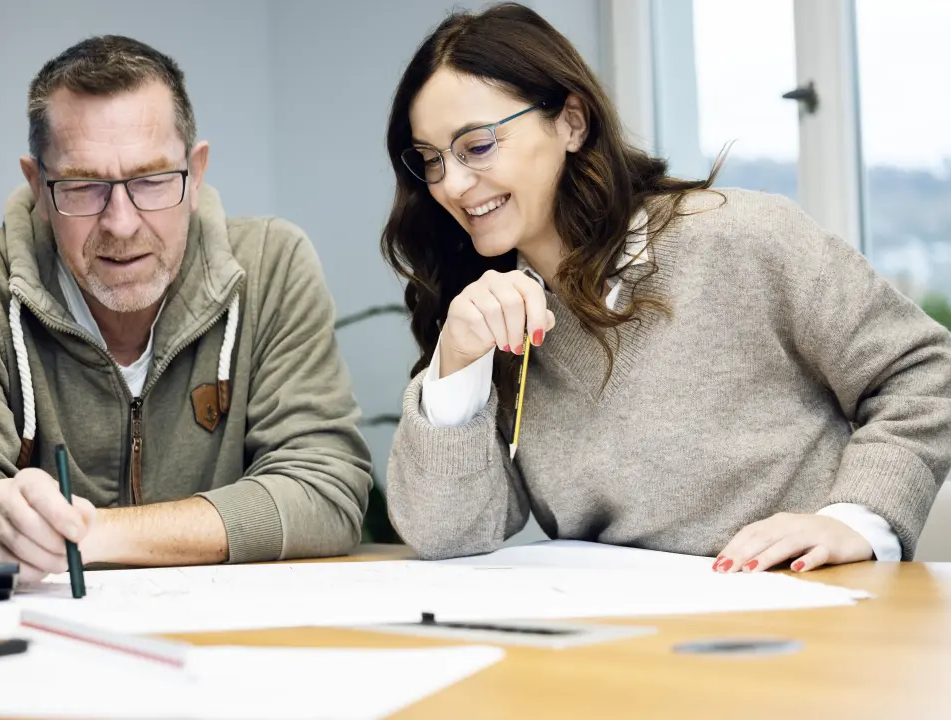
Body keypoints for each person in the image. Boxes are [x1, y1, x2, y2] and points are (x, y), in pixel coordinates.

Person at [381, 3, 951, 571]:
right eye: (429, 160)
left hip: (811, 613)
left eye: (476, 146)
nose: (451, 184)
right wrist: (455, 363)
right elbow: (449, 535)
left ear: (571, 122)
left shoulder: (741, 237)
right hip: (627, 637)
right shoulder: (492, 314)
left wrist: (854, 518)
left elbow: (926, 373)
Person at [0, 36, 371, 583]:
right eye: (84, 186)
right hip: (42, 647)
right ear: (38, 187)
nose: (121, 223)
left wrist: (91, 532)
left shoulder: (271, 267)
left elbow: (326, 492)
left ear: (196, 173)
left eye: (151, 180)